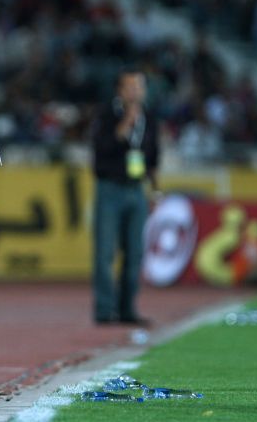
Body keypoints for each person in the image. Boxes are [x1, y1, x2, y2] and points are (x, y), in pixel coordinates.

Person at [90, 68, 159, 326]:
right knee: (105, 251)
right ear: (119, 90)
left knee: (135, 252)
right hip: (110, 188)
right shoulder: (106, 114)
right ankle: (104, 309)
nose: (135, 92)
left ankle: (128, 308)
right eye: (130, 87)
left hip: (136, 189)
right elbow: (101, 147)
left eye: (139, 86)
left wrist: (155, 188)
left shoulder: (149, 117)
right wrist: (125, 123)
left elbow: (153, 155)